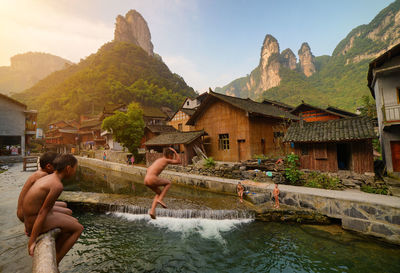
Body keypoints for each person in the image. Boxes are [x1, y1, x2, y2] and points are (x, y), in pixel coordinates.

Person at [22, 154, 83, 265]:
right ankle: (55, 262)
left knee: (72, 221)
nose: (75, 172)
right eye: (75, 169)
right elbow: (43, 212)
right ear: (68, 169)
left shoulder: (48, 178)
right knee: (78, 228)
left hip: (29, 220)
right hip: (33, 221)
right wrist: (32, 241)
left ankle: (56, 253)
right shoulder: (57, 185)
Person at [17, 152, 71, 223]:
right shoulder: (43, 175)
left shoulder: (40, 172)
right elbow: (44, 207)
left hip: (23, 210)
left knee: (63, 204)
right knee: (68, 212)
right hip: (25, 214)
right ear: (48, 166)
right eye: (57, 166)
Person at [144, 147, 181, 219]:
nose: (173, 157)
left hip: (146, 179)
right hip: (152, 179)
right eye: (172, 156)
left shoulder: (158, 160)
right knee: (168, 183)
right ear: (169, 155)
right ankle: (160, 199)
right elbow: (179, 161)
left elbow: (148, 169)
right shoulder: (166, 160)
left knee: (159, 192)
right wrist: (175, 152)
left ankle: (152, 211)